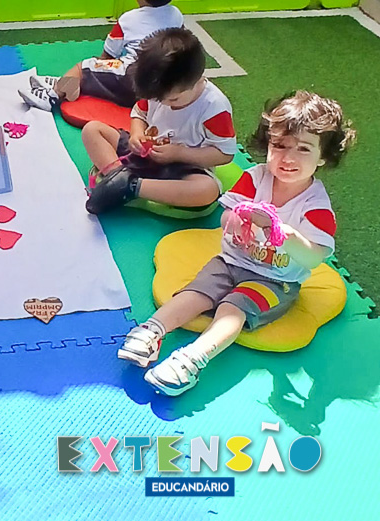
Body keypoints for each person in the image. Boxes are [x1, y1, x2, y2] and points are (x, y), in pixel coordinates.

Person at [119, 91, 355, 396]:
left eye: (303, 149)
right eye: (279, 145)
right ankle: (152, 329)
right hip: (230, 262)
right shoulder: (255, 178)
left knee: (234, 307)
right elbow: (227, 215)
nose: (288, 158)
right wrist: (235, 219)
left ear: (323, 156)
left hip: (275, 280)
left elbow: (314, 258)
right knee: (197, 292)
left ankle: (192, 359)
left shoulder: (315, 207)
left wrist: (286, 235)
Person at [84, 27, 236, 214]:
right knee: (92, 130)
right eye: (157, 99)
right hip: (143, 155)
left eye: (173, 100)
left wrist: (179, 154)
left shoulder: (214, 107)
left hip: (182, 168)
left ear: (197, 80)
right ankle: (119, 176)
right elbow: (139, 113)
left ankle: (133, 187)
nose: (164, 104)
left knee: (207, 190)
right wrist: (137, 134)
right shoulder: (159, 90)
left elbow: (224, 154)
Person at [20, 0, 184, 110]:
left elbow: (108, 56)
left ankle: (52, 95)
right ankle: (66, 83)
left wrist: (96, 66)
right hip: (163, 83)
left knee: (83, 68)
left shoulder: (128, 20)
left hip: (132, 80)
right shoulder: (176, 15)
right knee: (98, 72)